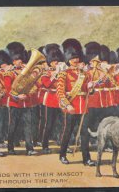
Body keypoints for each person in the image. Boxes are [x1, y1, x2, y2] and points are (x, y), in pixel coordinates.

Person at [57, 38, 95, 166]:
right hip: (71, 106)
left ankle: (86, 158)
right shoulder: (63, 74)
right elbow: (60, 93)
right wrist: (67, 105)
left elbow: (88, 91)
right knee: (67, 132)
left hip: (83, 107)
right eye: (73, 58)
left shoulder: (85, 74)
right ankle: (62, 155)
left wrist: (91, 87)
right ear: (68, 59)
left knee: (85, 133)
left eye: (77, 57)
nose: (75, 60)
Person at [5, 42, 38, 156]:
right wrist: (17, 96)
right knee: (13, 126)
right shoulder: (9, 73)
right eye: (17, 59)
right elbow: (8, 89)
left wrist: (27, 95)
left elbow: (34, 86)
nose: (20, 61)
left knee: (28, 126)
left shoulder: (28, 73)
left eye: (20, 59)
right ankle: (10, 147)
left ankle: (29, 148)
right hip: (15, 103)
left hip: (26, 103)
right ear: (13, 61)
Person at [40, 43, 65, 154]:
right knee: (49, 123)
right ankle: (44, 144)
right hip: (50, 100)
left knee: (62, 124)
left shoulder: (63, 73)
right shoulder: (47, 73)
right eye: (55, 61)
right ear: (50, 62)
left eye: (58, 61)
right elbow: (46, 85)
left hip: (61, 100)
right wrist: (54, 75)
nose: (57, 63)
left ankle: (61, 143)